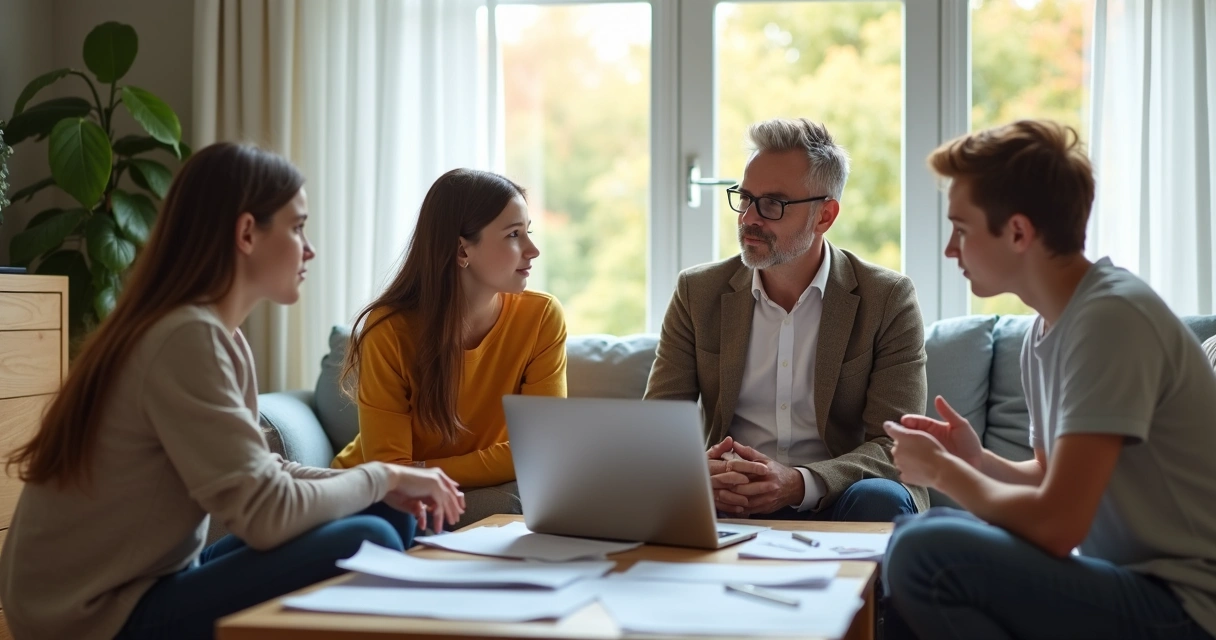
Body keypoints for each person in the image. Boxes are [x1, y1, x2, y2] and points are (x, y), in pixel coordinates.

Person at [0, 143, 465, 640]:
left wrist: (388, 483)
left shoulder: (217, 335)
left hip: (153, 580)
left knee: (385, 510)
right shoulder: (185, 337)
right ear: (247, 233)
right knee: (366, 534)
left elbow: (267, 474)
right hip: (90, 618)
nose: (309, 249)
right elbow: (264, 516)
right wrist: (379, 476)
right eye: (297, 227)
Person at [882, 119, 1216, 640]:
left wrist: (944, 475)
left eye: (962, 228)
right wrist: (974, 460)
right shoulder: (1048, 328)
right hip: (1132, 584)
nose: (951, 249)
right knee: (909, 537)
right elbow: (1050, 477)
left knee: (925, 554)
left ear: (1018, 232)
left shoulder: (1111, 319)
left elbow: (1058, 527)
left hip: (1186, 606)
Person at [645, 117, 928, 522]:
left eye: (772, 204)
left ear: (825, 216)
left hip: (836, 498)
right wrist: (699, 472)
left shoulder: (886, 298)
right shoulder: (698, 291)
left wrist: (799, 483)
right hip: (727, 499)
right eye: (745, 198)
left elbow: (896, 445)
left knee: (881, 497)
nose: (748, 218)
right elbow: (656, 426)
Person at [332, 168, 567, 525]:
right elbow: (391, 472)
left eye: (528, 232)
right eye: (514, 235)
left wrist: (421, 471)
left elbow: (542, 447)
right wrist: (408, 474)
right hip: (370, 498)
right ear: (461, 249)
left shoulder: (541, 317)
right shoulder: (389, 331)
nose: (532, 250)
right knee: (397, 523)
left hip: (425, 486)